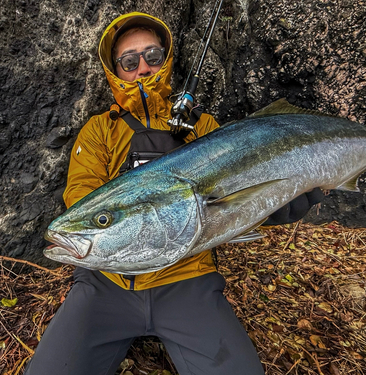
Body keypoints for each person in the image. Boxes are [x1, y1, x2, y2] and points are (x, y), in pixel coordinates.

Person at [24, 12, 266, 375]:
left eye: (152, 56)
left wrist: (271, 206)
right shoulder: (99, 130)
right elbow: (82, 195)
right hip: (106, 286)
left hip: (188, 278)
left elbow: (240, 193)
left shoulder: (202, 126)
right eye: (129, 61)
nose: (143, 68)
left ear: (165, 61)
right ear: (115, 71)